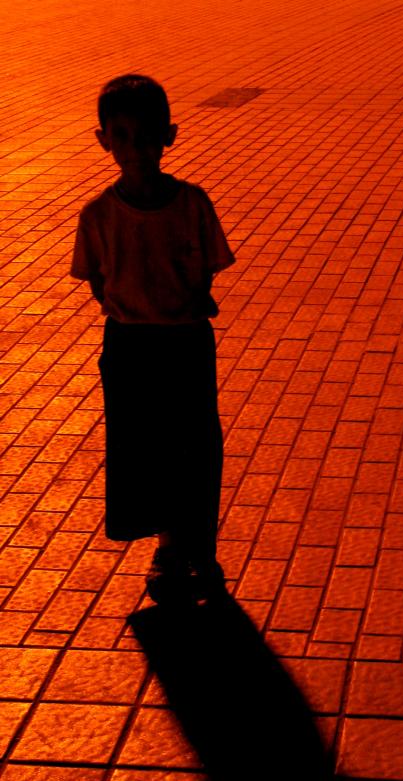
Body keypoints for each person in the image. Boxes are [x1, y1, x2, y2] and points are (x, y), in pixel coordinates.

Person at [70, 73, 235, 604]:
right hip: (130, 345)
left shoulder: (192, 204)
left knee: (196, 442)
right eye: (122, 136)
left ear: (170, 135)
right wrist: (130, 308)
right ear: (104, 141)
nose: (135, 149)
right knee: (145, 446)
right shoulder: (97, 215)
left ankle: (200, 545)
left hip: (185, 341)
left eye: (146, 135)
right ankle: (168, 546)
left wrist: (184, 299)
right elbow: (96, 276)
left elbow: (207, 262)